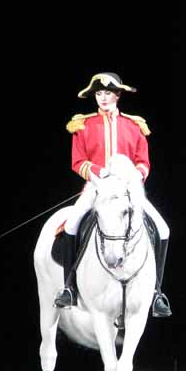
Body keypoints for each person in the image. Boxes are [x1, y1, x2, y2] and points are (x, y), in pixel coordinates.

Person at [56, 72, 171, 318]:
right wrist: (100, 173)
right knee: (71, 226)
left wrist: (131, 178)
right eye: (99, 94)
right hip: (97, 188)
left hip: (128, 191)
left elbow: (143, 162)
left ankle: (156, 292)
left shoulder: (134, 125)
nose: (103, 98)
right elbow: (78, 162)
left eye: (108, 93)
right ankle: (69, 287)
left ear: (117, 95)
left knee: (162, 229)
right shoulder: (83, 125)